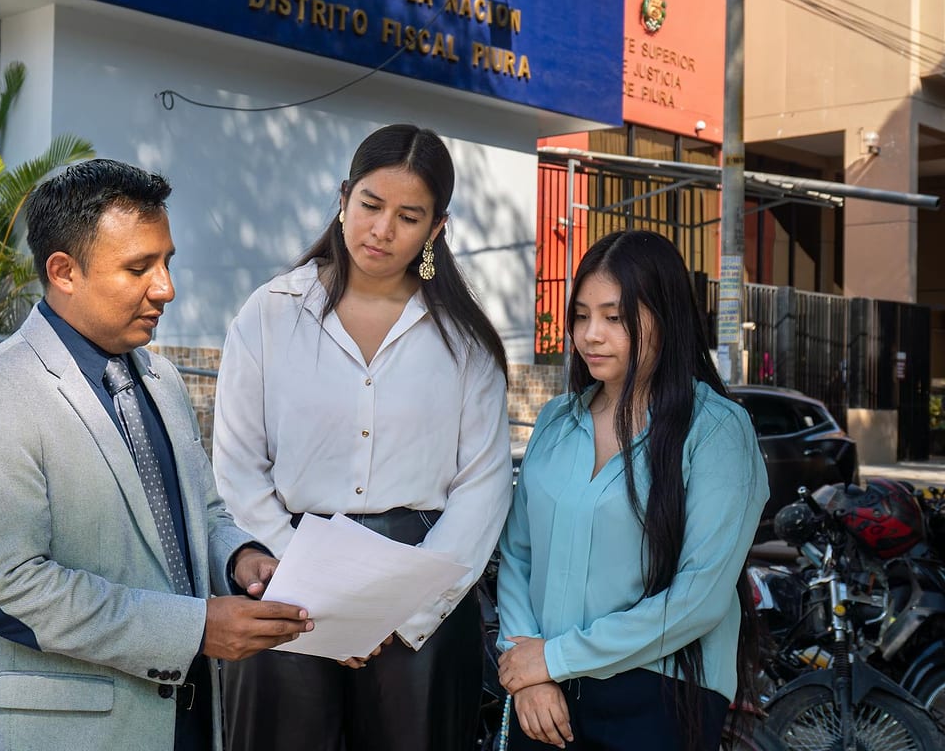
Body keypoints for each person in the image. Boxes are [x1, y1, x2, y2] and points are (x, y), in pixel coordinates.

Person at [0, 159, 313, 751]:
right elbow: (5, 588)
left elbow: (203, 512)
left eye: (166, 262)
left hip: (186, 723)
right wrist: (196, 629)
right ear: (63, 271)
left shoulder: (162, 380)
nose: (166, 287)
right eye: (139, 267)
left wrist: (241, 559)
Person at [214, 123, 513, 751]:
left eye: (408, 217)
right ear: (344, 197)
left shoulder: (466, 342)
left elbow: (482, 488)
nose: (381, 230)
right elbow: (239, 470)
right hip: (285, 583)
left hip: (421, 592)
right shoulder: (270, 315)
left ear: (436, 230)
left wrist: (402, 610)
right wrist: (306, 587)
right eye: (371, 206)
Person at [496, 230, 768, 751]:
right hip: (542, 694)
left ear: (665, 316)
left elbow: (700, 598)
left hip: (658, 697)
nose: (590, 334)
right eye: (581, 315)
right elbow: (517, 554)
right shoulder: (556, 420)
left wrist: (553, 659)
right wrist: (527, 665)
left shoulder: (716, 431)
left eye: (614, 317)